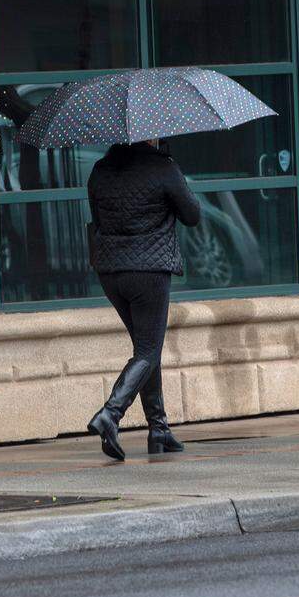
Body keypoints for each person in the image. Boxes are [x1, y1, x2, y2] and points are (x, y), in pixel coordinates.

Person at [85, 138, 201, 461]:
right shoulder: (163, 168)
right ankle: (110, 413)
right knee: (149, 349)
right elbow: (192, 215)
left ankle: (159, 427)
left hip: (110, 272)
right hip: (148, 271)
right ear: (149, 135)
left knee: (147, 349)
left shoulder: (99, 170)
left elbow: (97, 218)